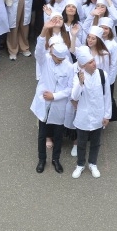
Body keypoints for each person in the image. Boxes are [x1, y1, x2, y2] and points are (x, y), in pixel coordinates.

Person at [31, 38, 74, 173]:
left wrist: (54, 96)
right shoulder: (45, 60)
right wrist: (44, 32)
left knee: (58, 134)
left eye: (62, 59)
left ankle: (56, 159)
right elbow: (38, 50)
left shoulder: (69, 67)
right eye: (58, 59)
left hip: (59, 104)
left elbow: (69, 89)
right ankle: (42, 159)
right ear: (52, 54)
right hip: (44, 103)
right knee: (42, 134)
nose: (60, 61)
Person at [71, 46, 112, 178]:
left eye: (93, 60)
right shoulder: (78, 77)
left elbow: (107, 96)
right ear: (83, 65)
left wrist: (107, 115)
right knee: (81, 143)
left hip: (98, 115)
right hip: (83, 116)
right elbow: (74, 96)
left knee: (96, 142)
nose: (94, 63)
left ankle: (93, 163)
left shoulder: (102, 75)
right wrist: (80, 83)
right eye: (90, 62)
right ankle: (80, 164)